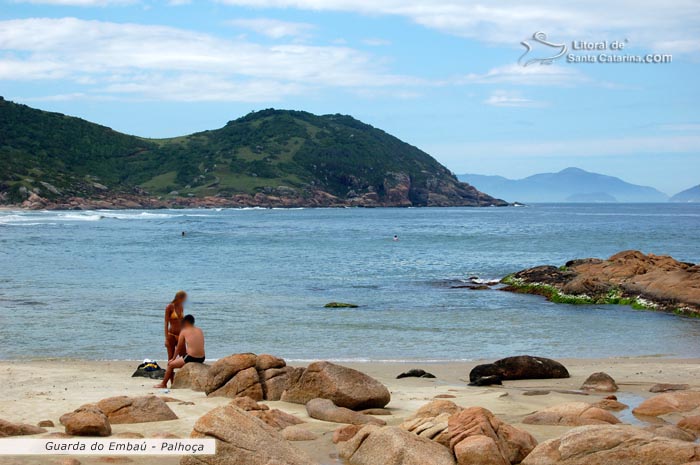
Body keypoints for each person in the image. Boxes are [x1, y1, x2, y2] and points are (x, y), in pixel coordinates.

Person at [154, 314, 205, 388]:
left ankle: (163, 384)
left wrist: (173, 359)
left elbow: (178, 347)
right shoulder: (200, 330)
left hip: (191, 357)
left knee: (170, 365)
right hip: (202, 358)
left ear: (186, 323)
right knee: (183, 359)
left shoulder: (184, 331)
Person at [164, 291, 187, 360]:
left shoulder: (181, 306)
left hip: (180, 335)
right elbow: (166, 323)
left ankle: (182, 371)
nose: (185, 300)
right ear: (179, 298)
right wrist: (166, 338)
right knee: (171, 358)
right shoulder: (169, 307)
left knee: (184, 357)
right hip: (171, 335)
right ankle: (170, 371)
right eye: (184, 298)